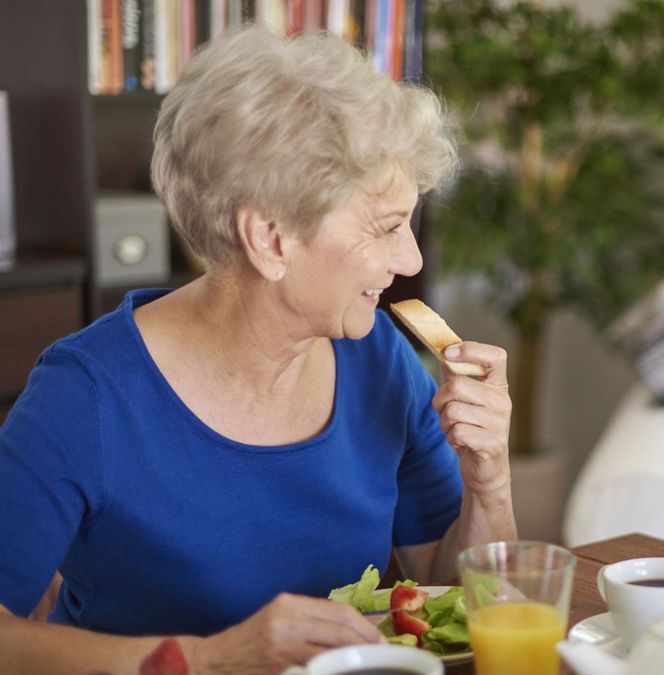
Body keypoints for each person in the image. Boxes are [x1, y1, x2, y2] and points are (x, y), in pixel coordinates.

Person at [0, 25, 516, 674]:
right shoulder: (85, 394)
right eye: (386, 227)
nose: (409, 258)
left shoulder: (380, 359)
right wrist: (211, 658)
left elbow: (459, 600)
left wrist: (488, 478)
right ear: (270, 238)